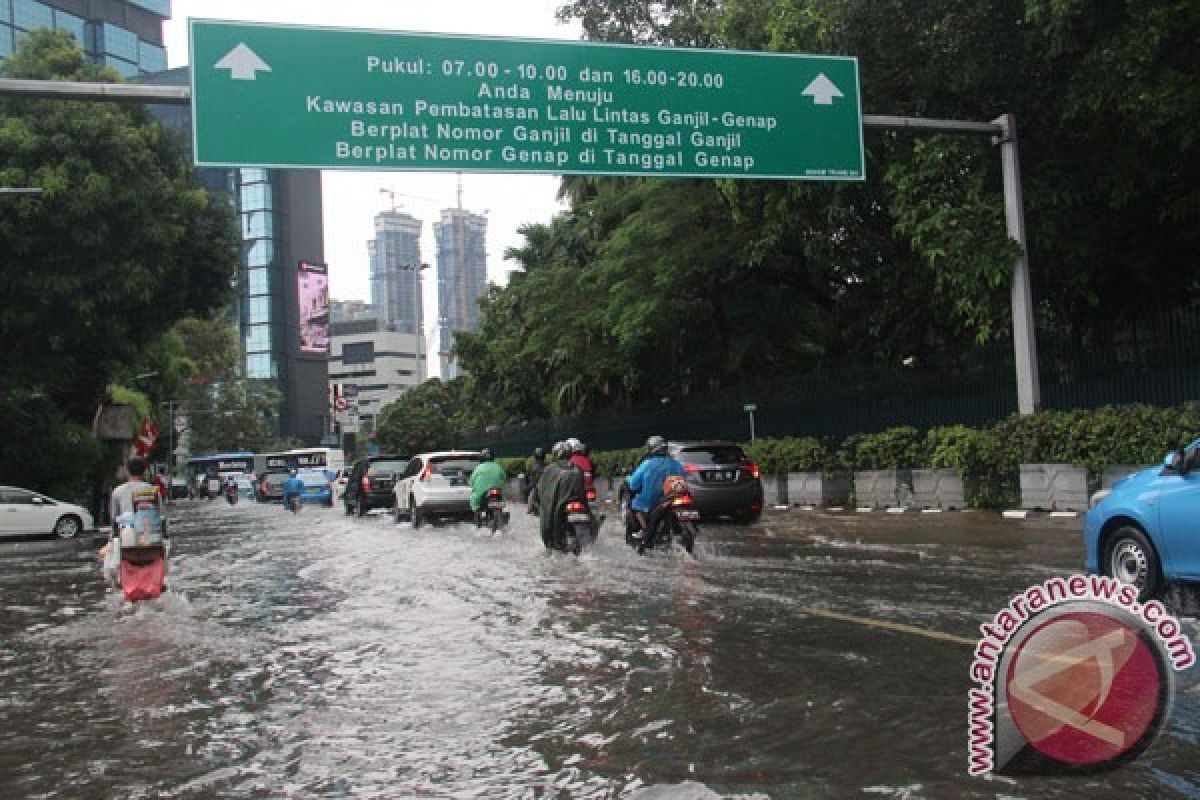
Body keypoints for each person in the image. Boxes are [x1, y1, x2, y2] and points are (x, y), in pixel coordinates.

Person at [626, 435, 685, 541]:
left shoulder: (647, 464)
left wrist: (629, 480)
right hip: (673, 498)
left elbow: (634, 484)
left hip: (651, 501)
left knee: (633, 505)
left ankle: (645, 530)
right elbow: (683, 478)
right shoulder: (676, 463)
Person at [537, 441, 585, 551]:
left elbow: (542, 490)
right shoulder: (577, 468)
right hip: (575, 504)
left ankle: (553, 544)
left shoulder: (550, 469)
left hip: (559, 508)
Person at [469, 448, 508, 526]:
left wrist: (473, 486)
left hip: (482, 493)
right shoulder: (498, 466)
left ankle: (478, 520)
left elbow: (472, 481)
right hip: (498, 491)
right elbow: (504, 478)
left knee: (474, 501)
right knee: (502, 499)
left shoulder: (478, 468)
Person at [525, 447, 547, 514]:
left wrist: (528, 484)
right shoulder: (547, 466)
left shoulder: (532, 466)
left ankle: (530, 508)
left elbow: (527, 477)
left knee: (531, 494)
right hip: (544, 487)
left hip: (535, 487)